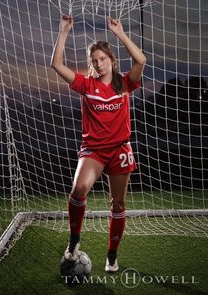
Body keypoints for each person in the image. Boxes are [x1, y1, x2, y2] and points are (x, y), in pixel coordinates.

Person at [51, 14, 146, 272]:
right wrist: (63, 32)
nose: (99, 63)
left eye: (103, 59)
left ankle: (112, 256)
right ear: (91, 64)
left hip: (120, 150)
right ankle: (73, 243)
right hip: (94, 151)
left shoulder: (125, 83)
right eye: (95, 61)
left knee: (118, 204)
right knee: (79, 188)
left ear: (111, 61)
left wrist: (121, 35)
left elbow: (141, 60)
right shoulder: (86, 84)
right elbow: (57, 64)